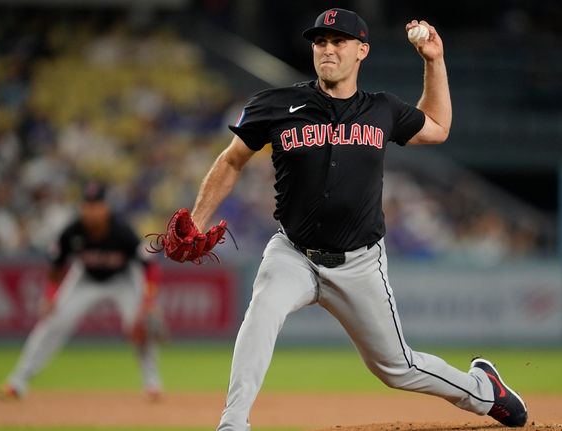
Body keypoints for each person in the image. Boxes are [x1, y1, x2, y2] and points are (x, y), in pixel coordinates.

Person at [189, 9, 528, 429]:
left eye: (338, 41)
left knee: (396, 367)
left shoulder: (382, 109)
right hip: (293, 253)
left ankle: (482, 390)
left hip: (359, 263)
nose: (327, 49)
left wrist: (433, 60)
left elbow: (438, 126)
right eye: (320, 42)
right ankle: (233, 423)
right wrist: (196, 219)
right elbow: (231, 160)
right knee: (262, 312)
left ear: (361, 50)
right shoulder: (275, 104)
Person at [0, 180, 163, 401]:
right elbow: (56, 267)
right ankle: (18, 381)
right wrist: (50, 296)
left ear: (105, 207)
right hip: (85, 278)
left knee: (138, 325)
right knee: (52, 322)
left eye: (96, 205)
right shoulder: (72, 231)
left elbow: (150, 267)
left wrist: (147, 302)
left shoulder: (122, 231)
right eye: (87, 205)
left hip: (123, 279)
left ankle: (152, 383)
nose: (91, 210)